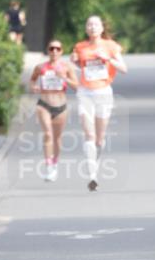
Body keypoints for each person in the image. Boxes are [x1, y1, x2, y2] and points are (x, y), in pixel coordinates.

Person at [70, 15, 127, 191]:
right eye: (89, 24)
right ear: (86, 29)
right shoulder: (80, 47)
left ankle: (96, 165)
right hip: (85, 92)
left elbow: (124, 69)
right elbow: (82, 66)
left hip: (103, 92)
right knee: (89, 134)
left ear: (102, 28)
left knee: (99, 138)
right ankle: (92, 175)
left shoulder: (111, 46)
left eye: (96, 24)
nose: (93, 27)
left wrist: (108, 58)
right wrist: (74, 62)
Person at [29, 40, 79, 181]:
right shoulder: (40, 67)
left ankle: (55, 162)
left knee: (57, 138)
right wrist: (33, 87)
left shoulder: (66, 67)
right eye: (52, 48)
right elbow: (32, 80)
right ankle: (49, 166)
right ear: (48, 51)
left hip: (61, 106)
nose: (55, 51)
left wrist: (64, 78)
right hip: (44, 105)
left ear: (62, 51)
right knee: (48, 134)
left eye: (58, 48)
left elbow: (77, 86)